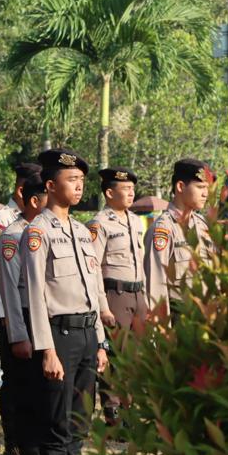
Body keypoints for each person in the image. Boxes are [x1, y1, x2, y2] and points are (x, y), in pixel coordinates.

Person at [22, 149, 109, 455]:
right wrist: (47, 349)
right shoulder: (37, 232)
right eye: (71, 180)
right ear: (51, 185)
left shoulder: (80, 230)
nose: (79, 186)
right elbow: (36, 296)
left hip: (88, 334)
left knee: (80, 422)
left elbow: (94, 288)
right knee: (57, 423)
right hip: (60, 335)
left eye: (81, 181)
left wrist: (102, 342)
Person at [0, 172, 48, 455]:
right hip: (26, 318)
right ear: (33, 201)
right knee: (27, 396)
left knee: (47, 397)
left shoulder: (52, 232)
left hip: (49, 319)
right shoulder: (12, 237)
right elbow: (11, 292)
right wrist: (19, 334)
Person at [0, 162, 42, 455]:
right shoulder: (1, 220)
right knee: (14, 376)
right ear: (23, 190)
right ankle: (14, 440)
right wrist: (6, 314)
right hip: (7, 308)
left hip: (32, 309)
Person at [86, 167, 147, 425]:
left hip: (137, 294)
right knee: (114, 357)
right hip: (115, 295)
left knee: (135, 356)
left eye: (133, 188)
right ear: (110, 192)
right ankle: (114, 412)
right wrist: (103, 307)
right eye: (125, 189)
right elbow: (94, 268)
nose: (131, 193)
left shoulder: (135, 221)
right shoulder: (100, 224)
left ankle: (131, 409)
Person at [144, 159, 214, 320]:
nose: (206, 194)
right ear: (181, 187)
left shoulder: (203, 226)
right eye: (200, 187)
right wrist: (160, 327)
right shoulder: (163, 229)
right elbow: (156, 282)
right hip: (180, 319)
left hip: (207, 317)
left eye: (207, 188)